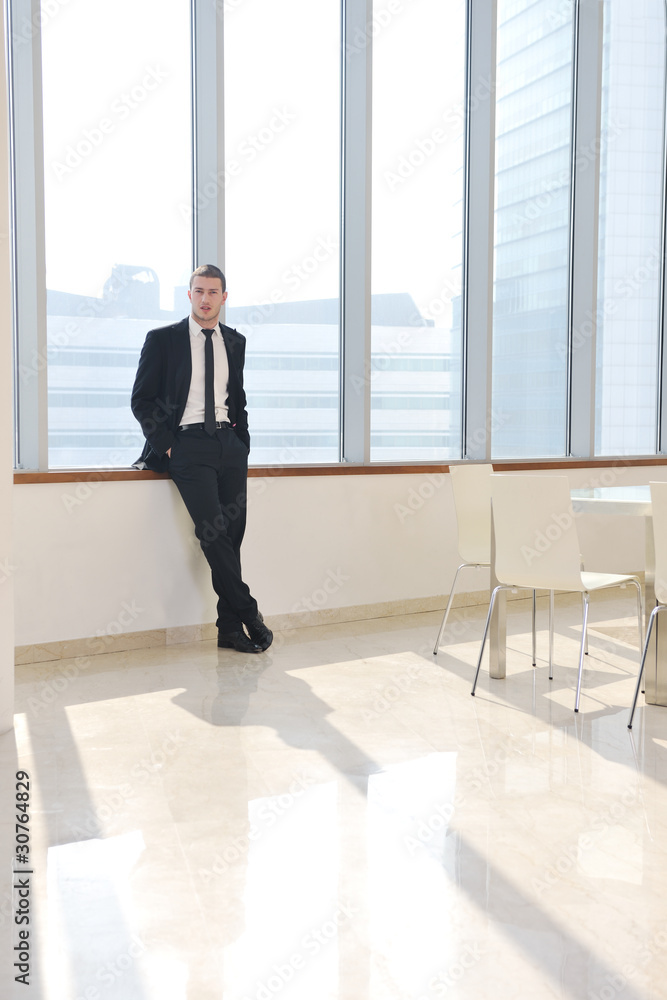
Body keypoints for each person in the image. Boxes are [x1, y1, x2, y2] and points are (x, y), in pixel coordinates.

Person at [131, 264, 272, 654]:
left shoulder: (235, 341)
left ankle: (229, 630)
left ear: (224, 297)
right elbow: (141, 400)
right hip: (188, 446)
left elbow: (237, 398)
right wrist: (168, 445)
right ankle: (250, 613)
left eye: (213, 292)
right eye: (199, 291)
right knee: (212, 533)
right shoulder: (163, 340)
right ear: (189, 295)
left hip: (229, 445)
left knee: (232, 536)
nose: (205, 299)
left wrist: (241, 442)